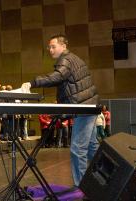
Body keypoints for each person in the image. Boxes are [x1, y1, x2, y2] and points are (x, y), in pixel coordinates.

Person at [21, 34, 99, 187]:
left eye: (53, 46)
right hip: (89, 106)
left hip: (83, 108)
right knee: (92, 147)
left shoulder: (66, 60)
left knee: (78, 149)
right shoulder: (74, 59)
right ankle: (105, 180)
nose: (50, 49)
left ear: (63, 46)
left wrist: (32, 82)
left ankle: (83, 187)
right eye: (49, 47)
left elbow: (57, 77)